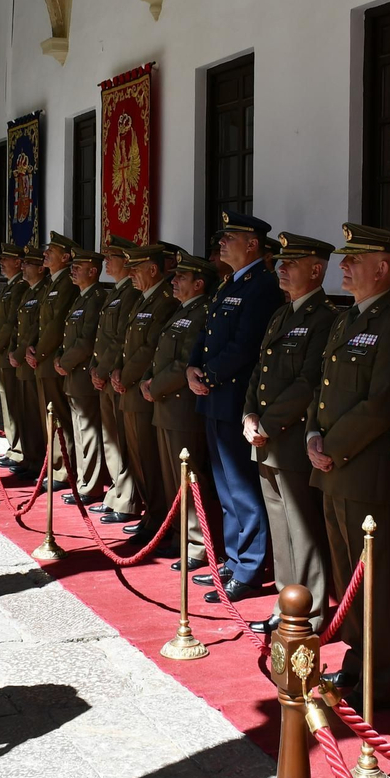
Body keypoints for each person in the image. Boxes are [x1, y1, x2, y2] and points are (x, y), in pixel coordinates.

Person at [308, 223, 390, 706]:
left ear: (383, 268)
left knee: (370, 582)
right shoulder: (345, 319)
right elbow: (325, 386)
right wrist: (314, 433)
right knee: (345, 577)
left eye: (355, 259)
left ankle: (379, 676)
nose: (344, 266)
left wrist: (331, 445)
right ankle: (356, 664)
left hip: (365, 471)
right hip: (332, 463)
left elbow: (380, 406)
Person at [242, 232, 340, 636]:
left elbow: (307, 383)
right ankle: (287, 602)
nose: (281, 268)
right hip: (265, 439)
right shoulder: (282, 315)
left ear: (316, 270)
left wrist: (268, 424)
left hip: (292, 438)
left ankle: (311, 611)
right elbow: (259, 372)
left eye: (292, 263)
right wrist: (248, 414)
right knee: (281, 530)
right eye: (280, 262)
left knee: (304, 531)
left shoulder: (324, 319)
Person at [187, 211, 283, 605]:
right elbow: (207, 333)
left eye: (231, 237)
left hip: (233, 396)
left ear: (253, 244)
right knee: (226, 488)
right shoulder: (230, 283)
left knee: (243, 488)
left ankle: (250, 567)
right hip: (212, 396)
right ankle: (233, 557)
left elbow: (245, 346)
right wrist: (193, 367)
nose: (222, 243)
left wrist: (207, 376)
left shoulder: (262, 286)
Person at [143, 250, 218, 566]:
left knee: (189, 477)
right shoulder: (182, 310)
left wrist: (153, 386)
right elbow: (161, 354)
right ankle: (178, 535)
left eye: (181, 277)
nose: (173, 280)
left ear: (199, 283)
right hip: (166, 405)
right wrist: (148, 380)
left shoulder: (201, 313)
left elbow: (183, 362)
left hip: (181, 407)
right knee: (174, 476)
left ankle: (197, 544)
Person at [114, 243, 180, 547]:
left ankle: (160, 520)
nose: (131, 274)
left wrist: (125, 377)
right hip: (129, 388)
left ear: (153, 270)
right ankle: (151, 516)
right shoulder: (144, 299)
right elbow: (128, 345)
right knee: (138, 458)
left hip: (141, 391)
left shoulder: (165, 301)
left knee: (150, 462)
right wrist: (117, 370)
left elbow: (149, 349)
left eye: (136, 269)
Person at [91, 236, 142, 523]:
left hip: (118, 375)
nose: (106, 262)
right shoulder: (116, 292)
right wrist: (95, 367)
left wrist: (106, 368)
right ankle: (115, 493)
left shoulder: (131, 294)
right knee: (111, 439)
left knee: (122, 440)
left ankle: (127, 499)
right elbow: (103, 338)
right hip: (107, 374)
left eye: (112, 257)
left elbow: (122, 339)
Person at [55, 245, 108, 502]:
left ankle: (91, 485)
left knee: (88, 432)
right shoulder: (82, 296)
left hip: (83, 372)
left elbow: (86, 341)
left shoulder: (96, 297)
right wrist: (60, 358)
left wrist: (65, 361)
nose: (73, 270)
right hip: (73, 374)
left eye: (79, 267)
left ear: (93, 271)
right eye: (73, 266)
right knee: (78, 430)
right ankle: (82, 480)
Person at [27, 232, 78, 489]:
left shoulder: (66, 284)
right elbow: (41, 322)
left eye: (52, 251)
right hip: (42, 358)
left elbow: (57, 326)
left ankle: (63, 470)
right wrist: (32, 348)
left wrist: (40, 352)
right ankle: (54, 464)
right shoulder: (52, 283)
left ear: (66, 257)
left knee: (58, 416)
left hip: (50, 359)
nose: (45, 254)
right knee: (49, 415)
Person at [0, 243, 29, 467]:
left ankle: (19, 448)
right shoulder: (10, 286)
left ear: (19, 263)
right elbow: (0, 320)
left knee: (13, 402)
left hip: (8, 350)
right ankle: (13, 445)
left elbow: (12, 321)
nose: (1, 263)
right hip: (2, 351)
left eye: (6, 259)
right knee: (7, 402)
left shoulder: (20, 287)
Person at [9, 247, 47, 475]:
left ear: (40, 268)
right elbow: (18, 325)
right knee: (25, 411)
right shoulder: (28, 291)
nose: (22, 267)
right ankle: (30, 458)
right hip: (23, 359)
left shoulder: (42, 291)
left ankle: (37, 460)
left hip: (32, 358)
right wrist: (14, 348)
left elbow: (37, 328)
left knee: (35, 413)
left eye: (28, 264)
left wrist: (21, 350)